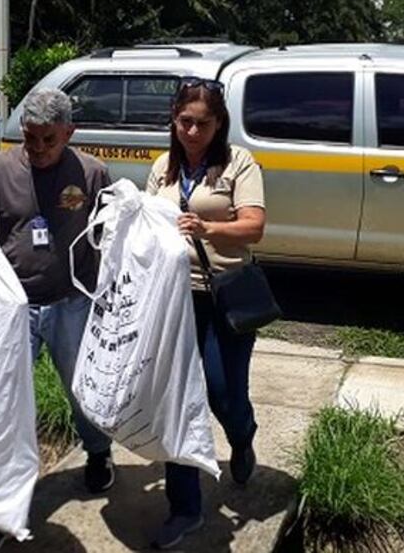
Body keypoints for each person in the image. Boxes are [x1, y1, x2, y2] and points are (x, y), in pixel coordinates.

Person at [0, 88, 114, 553]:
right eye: (29, 139)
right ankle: (0, 511)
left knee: (82, 391)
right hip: (11, 309)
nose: (36, 149)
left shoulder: (91, 173)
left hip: (73, 303)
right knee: (4, 405)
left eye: (47, 140)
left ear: (69, 134)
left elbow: (114, 233)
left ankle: (97, 452)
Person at [144, 77, 266, 549]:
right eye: (185, 122)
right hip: (175, 298)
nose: (193, 132)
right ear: (174, 120)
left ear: (219, 123)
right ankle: (185, 507)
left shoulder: (239, 163)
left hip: (226, 295)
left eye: (204, 123)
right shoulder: (162, 168)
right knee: (177, 400)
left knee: (222, 393)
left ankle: (242, 433)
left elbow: (254, 228)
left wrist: (208, 227)